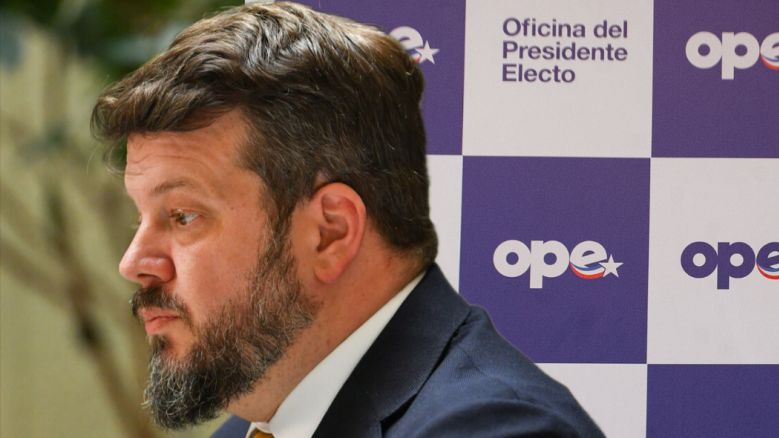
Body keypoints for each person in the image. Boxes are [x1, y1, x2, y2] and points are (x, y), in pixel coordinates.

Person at [91, 2, 604, 437]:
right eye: (141, 218)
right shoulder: (255, 427)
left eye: (182, 215)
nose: (133, 263)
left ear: (330, 231)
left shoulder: (498, 430)